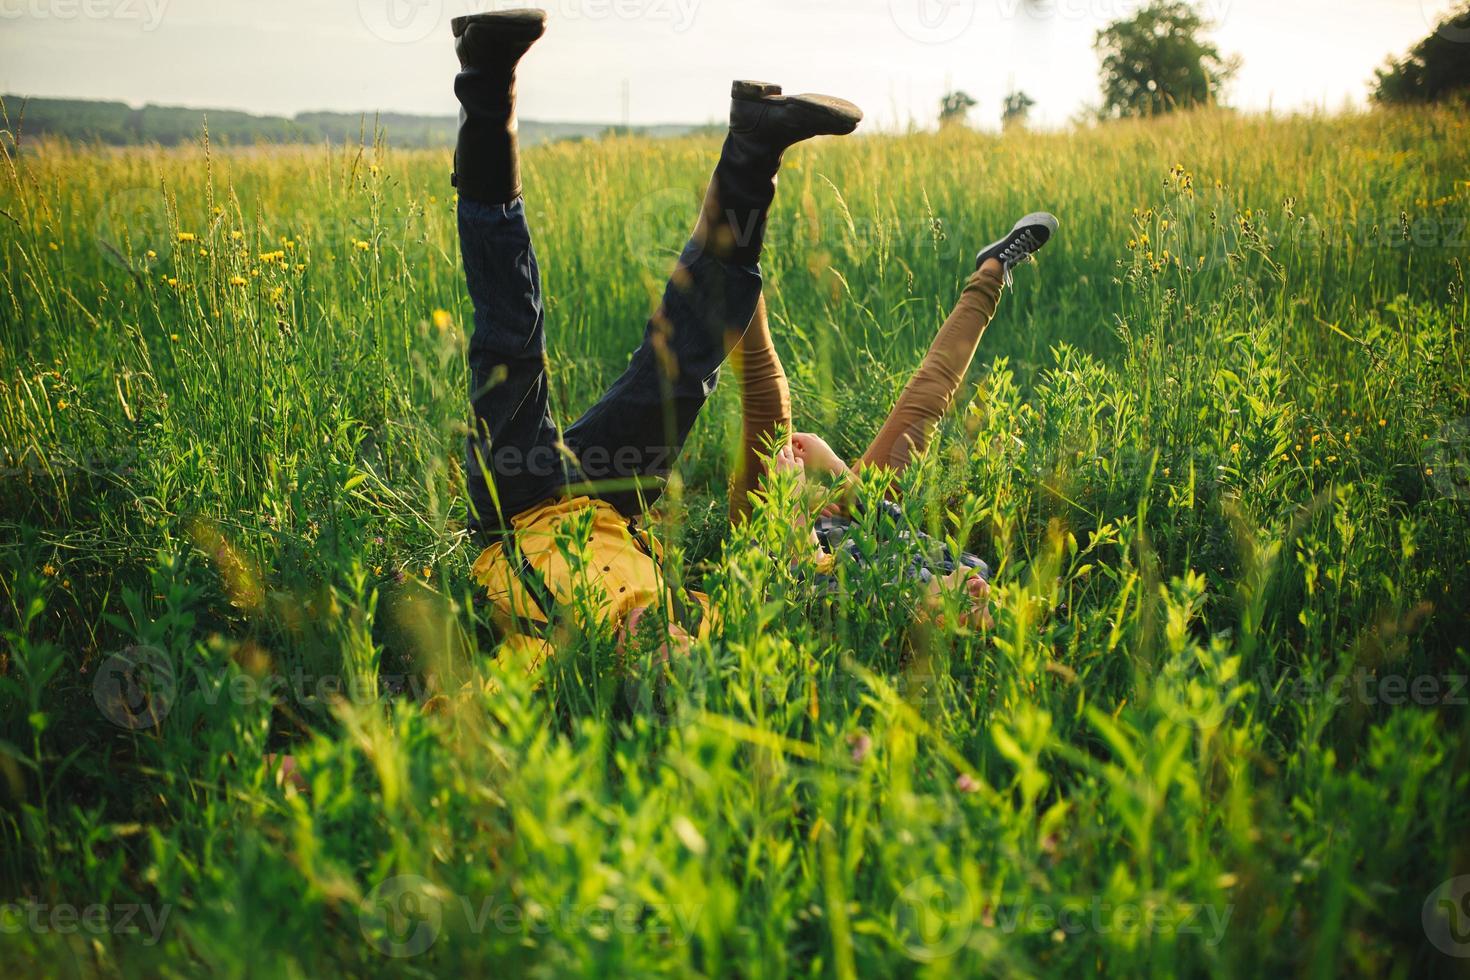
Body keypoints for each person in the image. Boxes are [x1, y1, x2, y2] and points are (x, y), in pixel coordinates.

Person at [451, 10, 863, 663]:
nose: (672, 639)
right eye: (680, 647)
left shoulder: (554, 655)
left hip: (514, 499)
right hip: (612, 493)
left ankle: (484, 77)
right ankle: (754, 145)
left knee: (510, 327)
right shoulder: (694, 625)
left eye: (661, 656)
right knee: (689, 362)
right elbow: (760, 581)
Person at [728, 213, 1058, 630]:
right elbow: (902, 530)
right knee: (930, 393)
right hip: (857, 511)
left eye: (972, 612)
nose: (981, 593)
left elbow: (804, 587)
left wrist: (794, 510)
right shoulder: (956, 570)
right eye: (992, 605)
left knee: (766, 395)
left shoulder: (875, 618)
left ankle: (729, 253)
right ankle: (992, 272)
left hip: (769, 534)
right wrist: (844, 483)